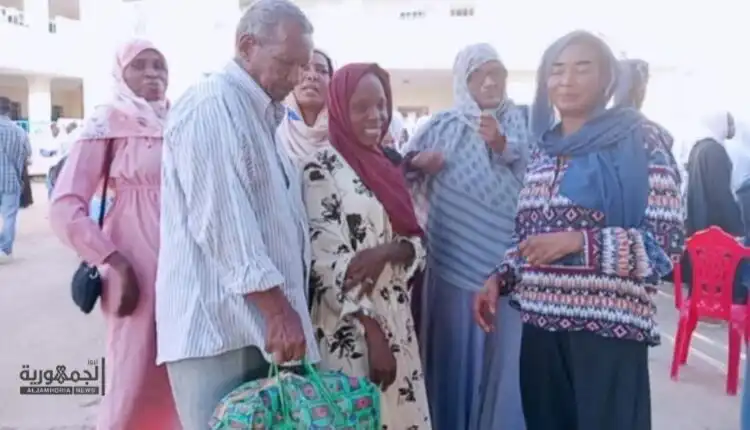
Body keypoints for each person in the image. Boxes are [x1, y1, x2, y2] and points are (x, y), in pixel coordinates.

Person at [473, 31, 684, 430]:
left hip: (607, 332)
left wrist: (578, 243)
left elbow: (665, 246)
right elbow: (529, 235)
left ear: (608, 78)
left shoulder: (640, 140)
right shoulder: (544, 149)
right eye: (556, 70)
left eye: (582, 68)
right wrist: (501, 276)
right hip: (541, 327)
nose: (566, 80)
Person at [155, 1, 319, 428]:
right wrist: (278, 311)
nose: (296, 77)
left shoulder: (264, 117)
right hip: (220, 331)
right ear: (247, 46)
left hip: (259, 326)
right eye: (286, 62)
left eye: (303, 66)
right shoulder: (212, 106)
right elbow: (222, 223)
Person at [49, 39, 178, 429]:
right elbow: (64, 206)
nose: (152, 73)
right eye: (140, 65)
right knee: (132, 370)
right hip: (133, 266)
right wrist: (113, 261)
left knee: (179, 369)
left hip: (182, 265)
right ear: (120, 74)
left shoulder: (180, 120)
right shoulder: (108, 122)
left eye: (159, 65)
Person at [402, 43, 529, 430]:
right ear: (462, 81)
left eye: (497, 74)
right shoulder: (441, 127)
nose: (489, 82)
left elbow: (542, 183)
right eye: (478, 75)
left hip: (508, 272)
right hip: (452, 266)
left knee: (503, 366)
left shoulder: (524, 123)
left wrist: (503, 145)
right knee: (453, 359)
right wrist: (416, 162)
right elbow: (398, 174)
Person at [302, 62, 430, 429]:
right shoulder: (320, 169)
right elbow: (325, 264)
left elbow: (417, 243)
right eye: (361, 107)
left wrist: (388, 251)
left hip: (398, 320)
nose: (376, 116)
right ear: (340, 109)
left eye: (381, 104)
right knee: (363, 417)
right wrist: (374, 334)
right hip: (353, 329)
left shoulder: (386, 166)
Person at [682, 110, 748, 303]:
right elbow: (721, 193)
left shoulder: (698, 148)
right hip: (715, 223)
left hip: (699, 221)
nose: (732, 127)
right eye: (729, 123)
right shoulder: (715, 152)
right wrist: (737, 227)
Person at [277, 48, 333, 165]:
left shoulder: (345, 132)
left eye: (322, 71)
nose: (312, 76)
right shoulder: (274, 127)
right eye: (304, 68)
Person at [0, 96, 30, 263]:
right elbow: (27, 153)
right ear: (9, 111)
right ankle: (5, 250)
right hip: (11, 179)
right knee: (9, 216)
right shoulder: (19, 131)